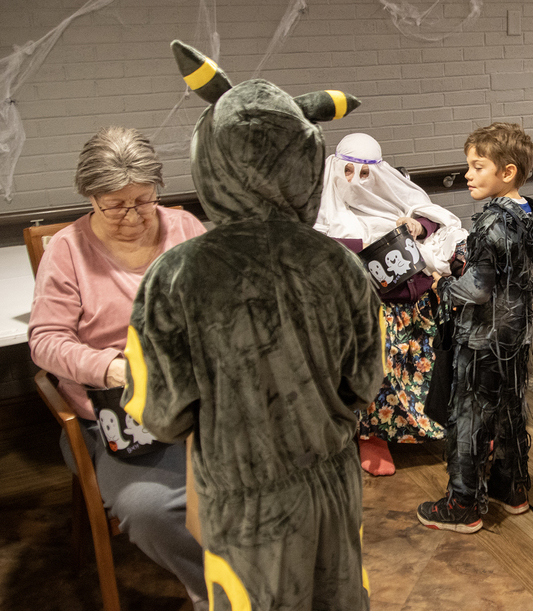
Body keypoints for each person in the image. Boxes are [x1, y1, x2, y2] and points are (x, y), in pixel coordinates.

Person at [121, 41, 379, 610]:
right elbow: (364, 382)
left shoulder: (175, 275)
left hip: (244, 505)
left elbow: (159, 412)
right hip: (335, 485)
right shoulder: (342, 265)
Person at [27, 126, 208, 609]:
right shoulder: (67, 250)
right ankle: (218, 592)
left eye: (144, 201)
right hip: (116, 423)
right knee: (150, 509)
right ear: (90, 197)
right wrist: (110, 367)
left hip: (198, 408)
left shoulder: (185, 229)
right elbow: (45, 342)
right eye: (114, 205)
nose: (132, 216)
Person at [417, 122, 533, 533]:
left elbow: (477, 290)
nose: (468, 175)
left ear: (507, 171)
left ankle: (463, 504)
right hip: (516, 338)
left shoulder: (490, 222)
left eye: (478, 167)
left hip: (482, 341)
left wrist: (444, 284)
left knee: (469, 417)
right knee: (510, 411)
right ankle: (511, 489)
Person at [315, 133, 468, 476]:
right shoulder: (327, 214)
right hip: (373, 313)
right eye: (349, 172)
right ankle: (373, 438)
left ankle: (439, 425)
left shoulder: (396, 197)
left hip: (419, 304)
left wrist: (417, 224)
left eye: (366, 174)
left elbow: (434, 218)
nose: (356, 182)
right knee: (378, 377)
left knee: (432, 368)